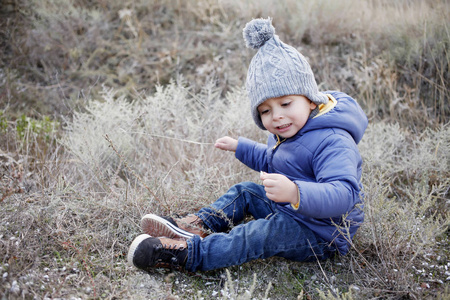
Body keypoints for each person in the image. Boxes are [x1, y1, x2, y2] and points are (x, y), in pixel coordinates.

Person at [127, 17, 368, 273]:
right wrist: (241, 147)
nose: (276, 116)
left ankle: (188, 254)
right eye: (265, 110)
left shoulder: (333, 140)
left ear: (310, 99)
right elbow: (273, 160)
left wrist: (296, 193)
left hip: (321, 233)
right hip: (289, 209)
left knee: (258, 234)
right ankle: (195, 226)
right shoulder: (287, 131)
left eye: (286, 104)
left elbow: (344, 194)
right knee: (245, 192)